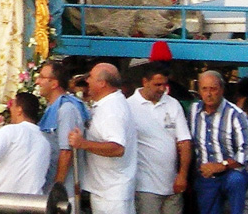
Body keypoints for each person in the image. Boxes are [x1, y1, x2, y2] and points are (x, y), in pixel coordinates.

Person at [69, 62, 138, 214]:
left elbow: (117, 148)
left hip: (111, 195)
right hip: (105, 190)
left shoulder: (112, 110)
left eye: (91, 77)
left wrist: (82, 143)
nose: (87, 80)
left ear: (102, 83)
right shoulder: (107, 104)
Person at [127, 62, 191, 214]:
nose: (162, 89)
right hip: (145, 186)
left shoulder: (173, 104)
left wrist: (182, 175)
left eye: (164, 84)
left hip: (173, 184)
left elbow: (185, 142)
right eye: (157, 84)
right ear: (145, 82)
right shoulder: (129, 106)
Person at [188, 70, 248, 214]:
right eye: (204, 89)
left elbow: (245, 150)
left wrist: (222, 165)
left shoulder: (235, 115)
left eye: (213, 89)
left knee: (236, 180)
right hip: (205, 175)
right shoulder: (193, 111)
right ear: (199, 91)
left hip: (231, 172)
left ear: (221, 90)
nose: (209, 94)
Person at [36, 60, 89, 198]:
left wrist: (57, 187)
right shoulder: (52, 108)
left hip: (64, 192)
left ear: (54, 83)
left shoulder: (66, 109)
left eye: (42, 77)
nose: (37, 81)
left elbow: (66, 151)